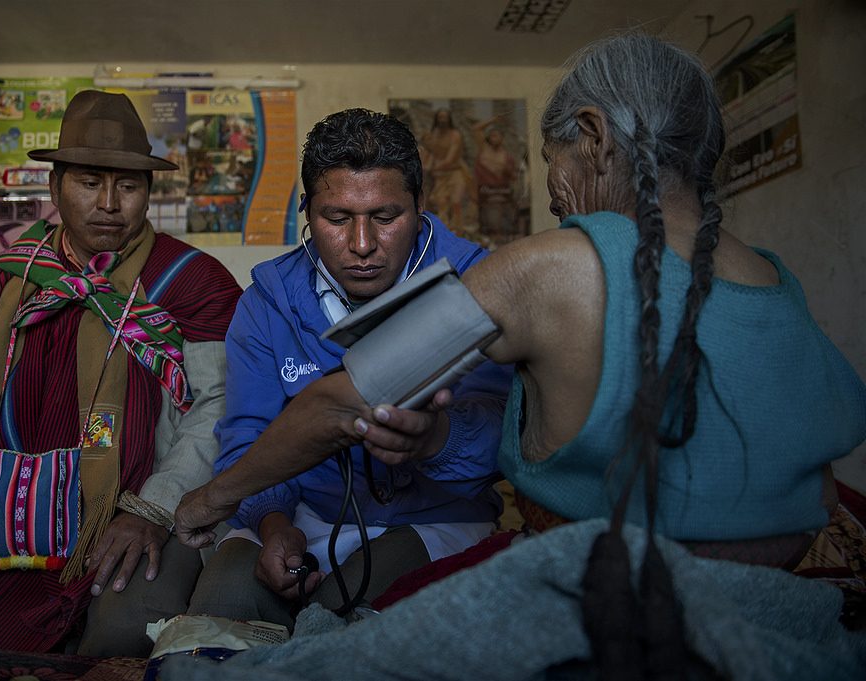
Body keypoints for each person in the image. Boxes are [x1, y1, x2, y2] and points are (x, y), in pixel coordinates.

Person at [174, 34, 865, 675]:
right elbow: (822, 483)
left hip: (609, 603)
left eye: (549, 162)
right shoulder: (776, 278)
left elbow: (339, 402)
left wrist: (212, 497)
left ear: (591, 137)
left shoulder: (543, 268)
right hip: (766, 601)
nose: (557, 194)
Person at [0, 90, 242, 656]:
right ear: (54, 188)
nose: (108, 203)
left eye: (128, 186)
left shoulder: (189, 282)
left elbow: (218, 405)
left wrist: (153, 508)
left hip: (133, 516)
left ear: (149, 193)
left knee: (118, 637)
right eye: (87, 182)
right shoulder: (3, 284)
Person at [183, 108, 511, 628]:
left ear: (421, 206)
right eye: (336, 219)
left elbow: (508, 434)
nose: (362, 245)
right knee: (221, 609)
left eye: (386, 217)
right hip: (304, 516)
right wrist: (272, 523)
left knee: (341, 620)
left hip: (437, 517)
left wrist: (434, 439)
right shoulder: (266, 303)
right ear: (306, 213)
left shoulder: (481, 283)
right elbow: (247, 434)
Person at [420, 108, 470, 228]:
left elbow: (451, 158)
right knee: (441, 203)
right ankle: (445, 232)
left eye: (445, 117)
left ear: (449, 119)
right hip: (439, 176)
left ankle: (459, 230)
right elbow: (429, 154)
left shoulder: (455, 135)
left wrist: (438, 166)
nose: (442, 120)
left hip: (455, 172)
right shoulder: (433, 134)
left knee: (456, 202)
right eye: (440, 117)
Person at [471, 117, 519, 242]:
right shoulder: (483, 149)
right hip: (485, 193)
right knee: (486, 222)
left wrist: (507, 170)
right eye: (492, 135)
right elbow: (476, 129)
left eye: (497, 135)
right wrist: (493, 120)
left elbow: (514, 177)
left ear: (502, 138)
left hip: (501, 193)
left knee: (501, 223)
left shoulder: (506, 157)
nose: (494, 138)